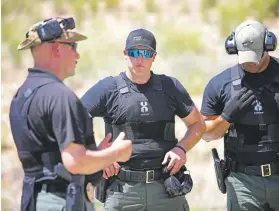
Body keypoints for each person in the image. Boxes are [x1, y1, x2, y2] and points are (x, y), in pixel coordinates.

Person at [9, 17, 132, 211]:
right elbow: (75, 162)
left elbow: (48, 158)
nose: (77, 55)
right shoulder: (60, 96)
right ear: (57, 48)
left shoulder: (22, 95)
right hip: (61, 201)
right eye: (73, 46)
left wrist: (98, 154)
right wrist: (115, 153)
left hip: (35, 200)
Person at [81, 28, 205, 211]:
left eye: (145, 53)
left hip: (166, 189)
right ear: (125, 54)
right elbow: (74, 119)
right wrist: (100, 156)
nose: (139, 59)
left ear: (154, 56)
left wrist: (181, 148)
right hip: (123, 190)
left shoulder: (170, 87)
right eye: (134, 53)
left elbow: (198, 124)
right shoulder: (108, 88)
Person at [201, 20, 279, 211]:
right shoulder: (219, 85)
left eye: (256, 57)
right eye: (246, 59)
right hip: (243, 183)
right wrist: (227, 116)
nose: (252, 64)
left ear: (268, 46)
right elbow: (206, 134)